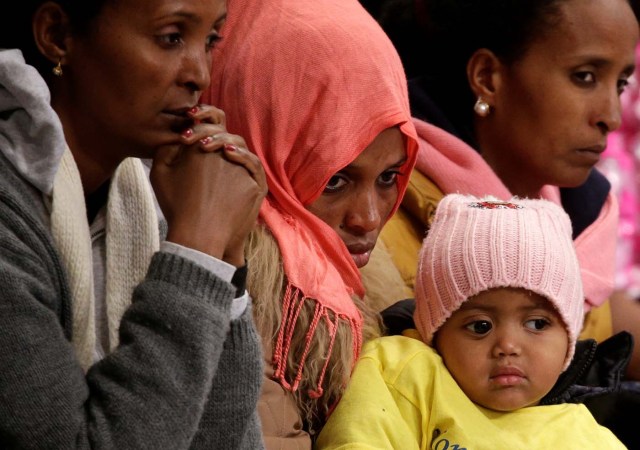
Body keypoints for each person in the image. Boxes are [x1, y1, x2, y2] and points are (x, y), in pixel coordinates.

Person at [0, 0, 266, 448]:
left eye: (212, 40)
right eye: (171, 37)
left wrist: (226, 260)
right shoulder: (10, 221)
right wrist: (196, 253)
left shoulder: (149, 196)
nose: (199, 75)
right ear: (58, 35)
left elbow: (226, 440)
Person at [358, 0, 640, 378]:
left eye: (621, 83)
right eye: (585, 76)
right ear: (488, 77)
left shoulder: (585, 226)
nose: (611, 116)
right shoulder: (373, 223)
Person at [200, 0, 419, 446]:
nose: (370, 218)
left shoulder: (358, 287)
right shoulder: (235, 288)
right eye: (335, 179)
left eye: (388, 178)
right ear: (257, 138)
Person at [316, 194, 625, 449]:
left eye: (537, 324)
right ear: (434, 332)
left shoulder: (588, 438)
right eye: (481, 326)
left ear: (569, 340)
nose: (508, 346)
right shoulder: (402, 372)